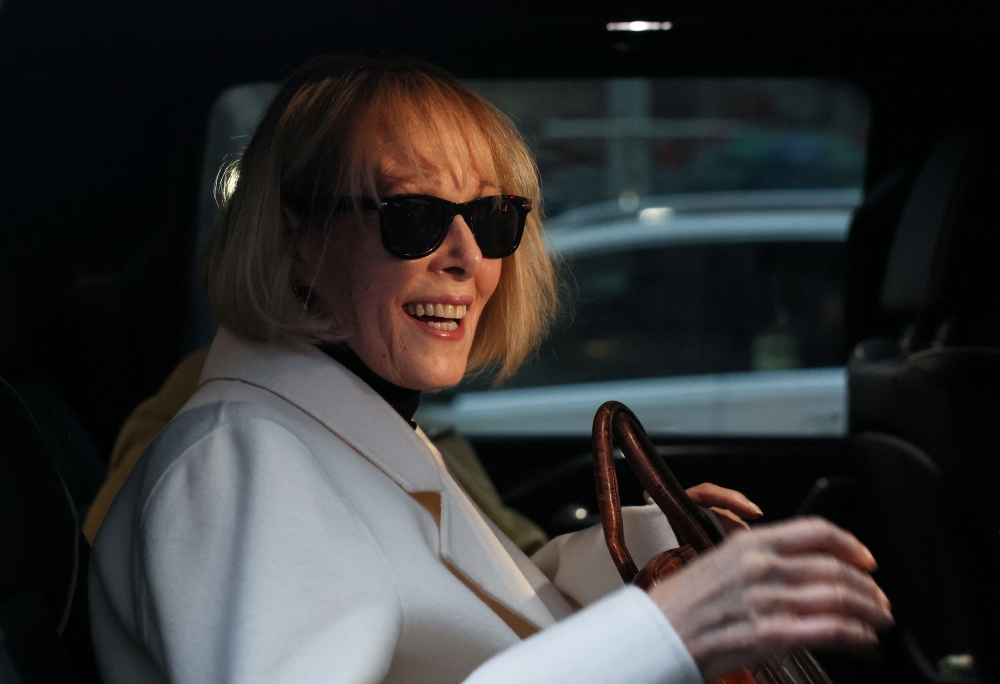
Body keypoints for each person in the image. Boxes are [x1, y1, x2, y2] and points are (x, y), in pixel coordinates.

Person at [89, 56, 892, 684]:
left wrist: (638, 553)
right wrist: (665, 631)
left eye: (492, 216)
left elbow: (441, 616)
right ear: (301, 242)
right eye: (415, 215)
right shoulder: (238, 462)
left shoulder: (347, 426)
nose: (467, 258)